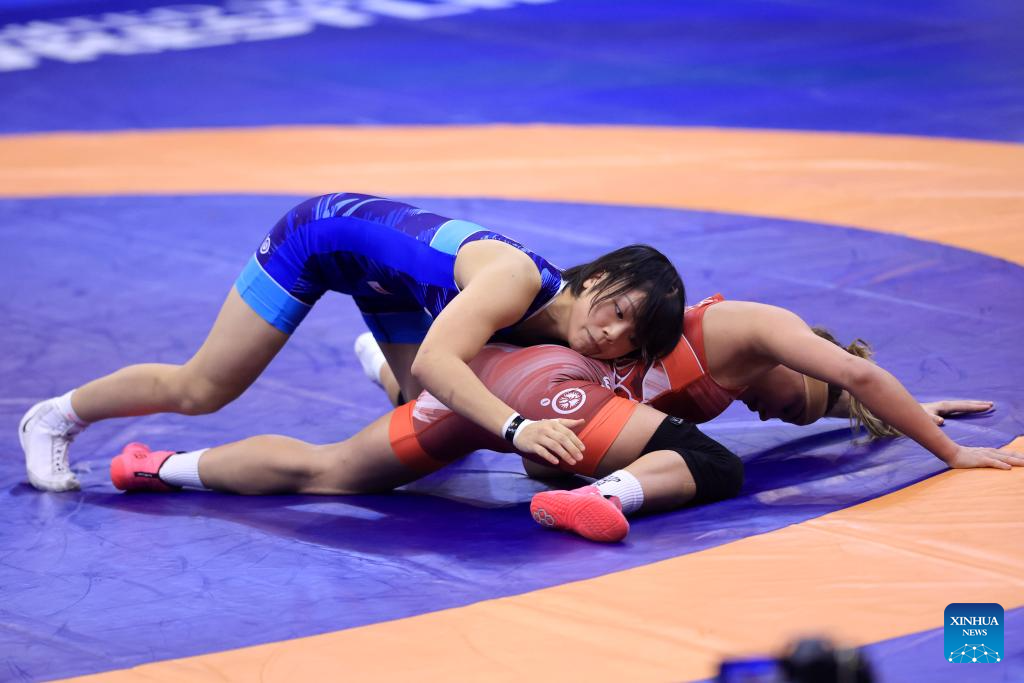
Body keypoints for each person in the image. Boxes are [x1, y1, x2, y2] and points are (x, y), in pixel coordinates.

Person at [19, 192, 686, 492]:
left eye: (629, 336)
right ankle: (54, 416)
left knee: (429, 406)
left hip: (392, 281)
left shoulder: (573, 332)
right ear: (596, 277)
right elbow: (442, 359)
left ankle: (385, 369)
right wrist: (518, 428)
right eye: (616, 309)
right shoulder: (515, 282)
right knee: (202, 389)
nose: (611, 333)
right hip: (317, 239)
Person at [109, 343, 743, 543]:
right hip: (543, 394)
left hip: (463, 391)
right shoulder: (721, 332)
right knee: (711, 461)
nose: (612, 331)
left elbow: (447, 356)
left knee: (325, 469)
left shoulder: (543, 294)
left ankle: (157, 466)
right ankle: (605, 496)